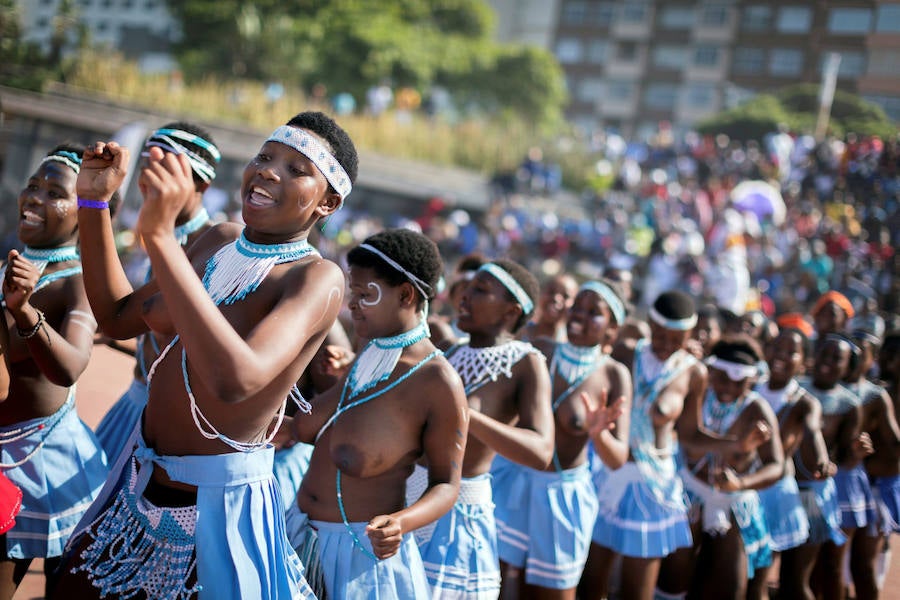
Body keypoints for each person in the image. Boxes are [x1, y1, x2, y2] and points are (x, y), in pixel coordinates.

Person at [52, 111, 359, 599]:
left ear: (329, 201)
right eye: (265, 155)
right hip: (135, 486)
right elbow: (115, 316)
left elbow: (238, 379)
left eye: (297, 169)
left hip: (216, 515)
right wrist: (94, 200)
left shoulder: (315, 278)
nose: (269, 170)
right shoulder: (216, 240)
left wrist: (159, 241)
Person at [283, 228, 469, 599]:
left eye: (365, 295)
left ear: (405, 294)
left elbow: (447, 484)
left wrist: (400, 523)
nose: (352, 305)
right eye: (353, 293)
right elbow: (305, 426)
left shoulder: (437, 381)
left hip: (358, 564)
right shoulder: (369, 356)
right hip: (297, 540)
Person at [0, 145, 109, 599]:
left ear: (83, 214)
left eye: (53, 192)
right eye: (32, 186)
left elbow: (71, 367)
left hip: (38, 456)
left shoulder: (77, 282)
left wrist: (23, 312)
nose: (35, 198)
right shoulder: (13, 264)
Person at [411, 258, 555, 599]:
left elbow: (541, 451)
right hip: (407, 499)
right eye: (469, 287)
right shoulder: (447, 351)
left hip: (457, 514)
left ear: (509, 312)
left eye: (480, 291)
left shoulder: (526, 362)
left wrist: (467, 415)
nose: (465, 297)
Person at [493, 280, 631, 598]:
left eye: (594, 312)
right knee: (493, 586)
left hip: (563, 496)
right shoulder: (541, 350)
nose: (580, 316)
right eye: (577, 307)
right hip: (512, 482)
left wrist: (598, 434)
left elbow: (616, 458)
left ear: (612, 328)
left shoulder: (613, 375)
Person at [94, 122, 220, 465]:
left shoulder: (214, 247)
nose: (150, 180)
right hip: (130, 406)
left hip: (169, 425)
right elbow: (129, 321)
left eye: (166, 169)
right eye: (147, 165)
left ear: (202, 183)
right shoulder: (156, 232)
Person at [583, 291, 703, 600]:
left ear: (689, 335)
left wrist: (738, 444)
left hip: (655, 488)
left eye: (676, 339)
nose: (665, 344)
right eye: (660, 335)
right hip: (609, 476)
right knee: (590, 584)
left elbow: (691, 434)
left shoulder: (693, 371)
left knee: (636, 592)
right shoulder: (625, 353)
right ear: (649, 323)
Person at [752, 325, 832, 600]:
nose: (782, 356)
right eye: (777, 347)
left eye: (792, 351)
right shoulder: (749, 385)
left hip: (773, 495)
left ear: (804, 362)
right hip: (741, 489)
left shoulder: (804, 403)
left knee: (761, 581)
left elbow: (813, 431)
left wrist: (822, 460)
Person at [799, 334, 870, 600]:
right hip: (782, 486)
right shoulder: (796, 387)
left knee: (824, 566)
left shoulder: (849, 404)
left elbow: (847, 456)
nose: (827, 362)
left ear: (848, 367)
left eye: (836, 358)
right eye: (824, 354)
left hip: (818, 493)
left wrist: (851, 456)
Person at [844, 328, 900, 600]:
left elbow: (894, 442)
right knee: (833, 565)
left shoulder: (877, 397)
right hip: (842, 484)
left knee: (862, 564)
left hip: (874, 488)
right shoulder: (830, 390)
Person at [517, 272, 577, 343]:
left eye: (565, 296)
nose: (556, 298)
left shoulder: (568, 345)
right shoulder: (518, 331)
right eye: (551, 292)